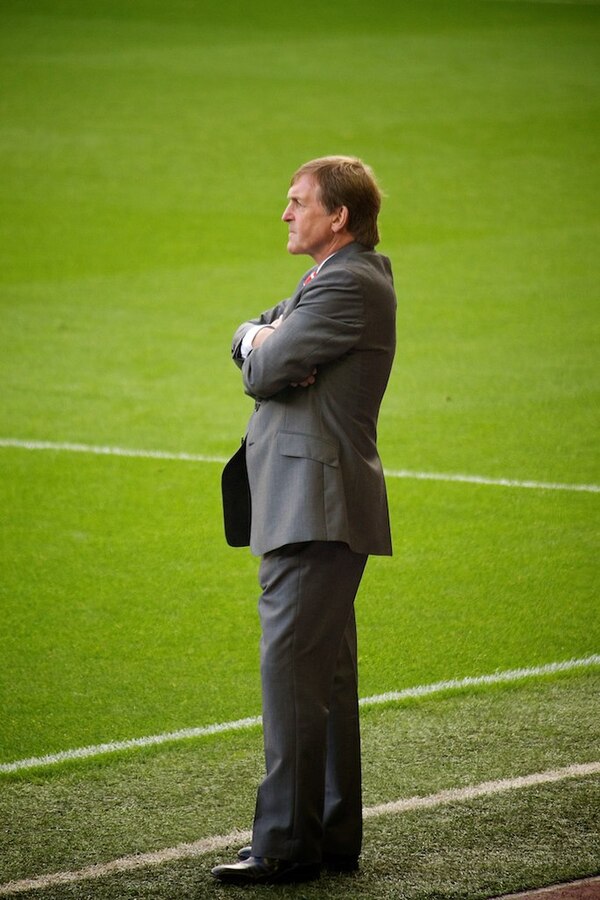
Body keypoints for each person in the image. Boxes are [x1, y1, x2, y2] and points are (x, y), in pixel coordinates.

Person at [213, 156, 397, 886]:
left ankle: (287, 845)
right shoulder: (335, 281)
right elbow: (263, 341)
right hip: (316, 501)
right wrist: (263, 337)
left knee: (292, 675)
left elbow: (261, 369)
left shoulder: (347, 284)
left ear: (338, 217)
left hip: (311, 505)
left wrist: (265, 348)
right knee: (324, 676)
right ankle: (329, 835)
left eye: (298, 203)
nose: (286, 214)